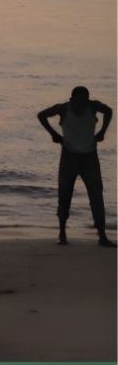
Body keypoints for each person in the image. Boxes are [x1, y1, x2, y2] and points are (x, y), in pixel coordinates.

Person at [37, 86, 115, 247]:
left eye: (84, 100)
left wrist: (102, 132)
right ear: (72, 99)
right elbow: (42, 115)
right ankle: (62, 233)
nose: (81, 104)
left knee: (96, 195)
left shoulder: (93, 106)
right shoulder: (63, 109)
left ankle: (102, 235)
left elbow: (109, 111)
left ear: (88, 100)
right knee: (65, 194)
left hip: (90, 157)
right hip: (69, 156)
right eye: (79, 100)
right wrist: (54, 134)